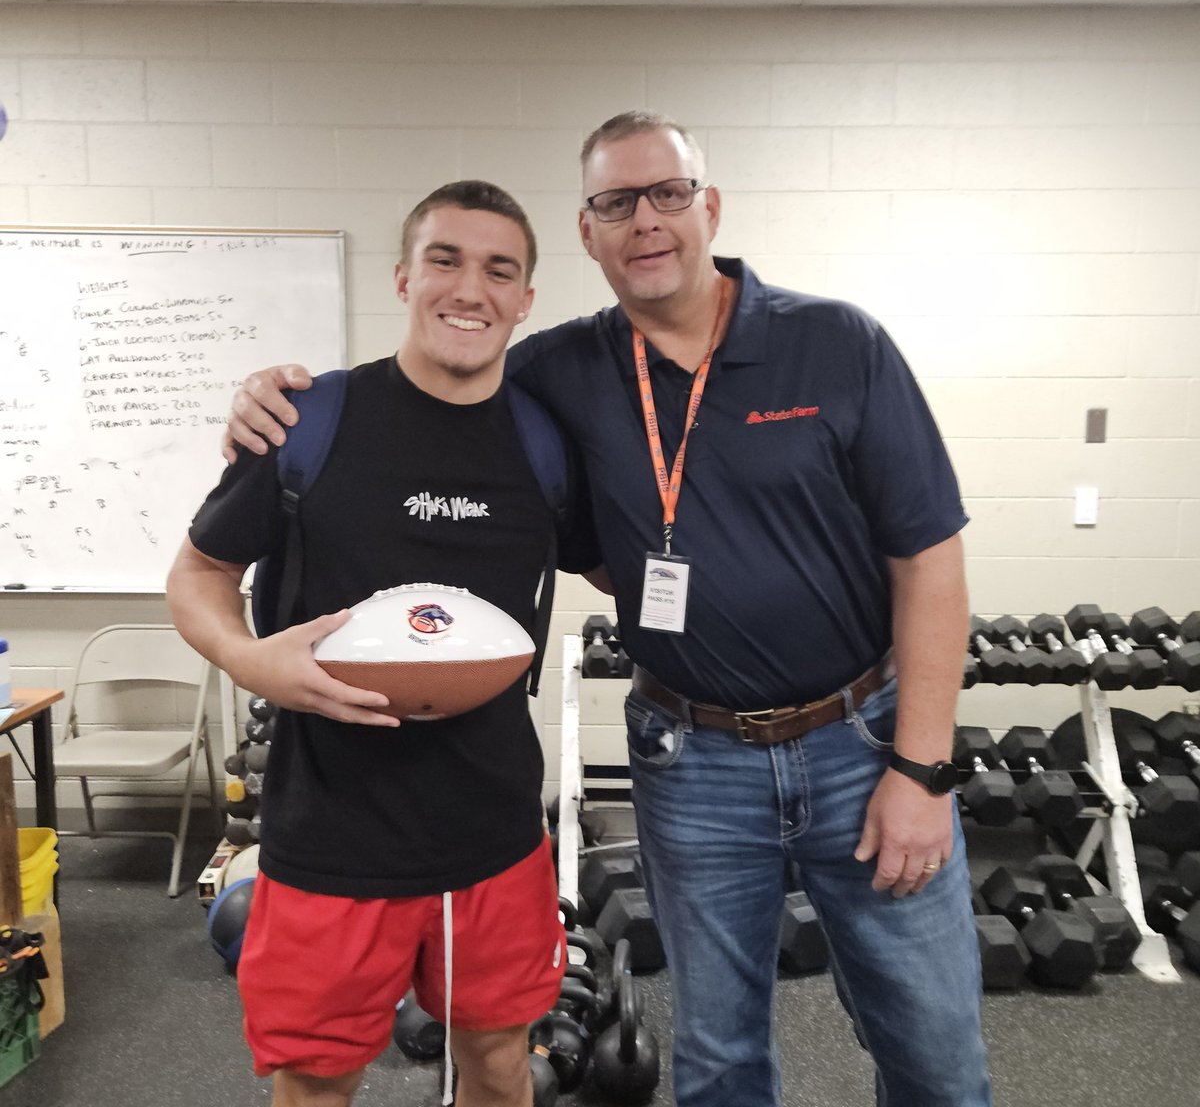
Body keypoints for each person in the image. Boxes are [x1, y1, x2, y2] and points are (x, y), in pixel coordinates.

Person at [223, 113, 993, 1107]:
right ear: (587, 233)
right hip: (693, 754)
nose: (646, 219)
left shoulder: (836, 343)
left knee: (933, 1047)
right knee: (717, 1057)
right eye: (614, 202)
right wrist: (272, 397)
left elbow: (930, 557)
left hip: (862, 743)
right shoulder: (557, 372)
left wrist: (923, 767)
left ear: (708, 207)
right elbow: (433, 383)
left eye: (668, 193)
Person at [166, 180, 599, 1107]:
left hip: (493, 836)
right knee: (318, 1083)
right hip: (331, 835)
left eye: (499, 269)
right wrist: (251, 660)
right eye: (444, 259)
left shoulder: (546, 448)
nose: (469, 288)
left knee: (497, 1063)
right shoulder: (305, 422)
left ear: (526, 298)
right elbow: (197, 576)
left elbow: (632, 566)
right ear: (404, 276)